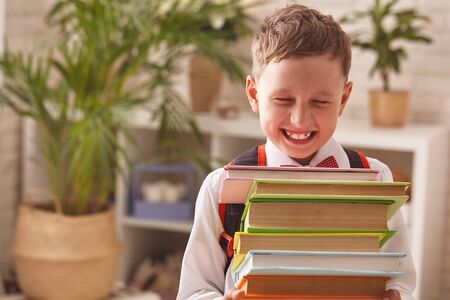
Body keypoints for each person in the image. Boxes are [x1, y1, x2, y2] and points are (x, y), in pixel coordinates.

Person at [177, 4, 416, 300]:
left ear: (343, 100)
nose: (300, 120)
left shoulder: (376, 179)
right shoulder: (220, 188)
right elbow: (193, 291)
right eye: (283, 99)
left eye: (320, 102)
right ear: (254, 95)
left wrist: (397, 294)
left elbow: (401, 277)